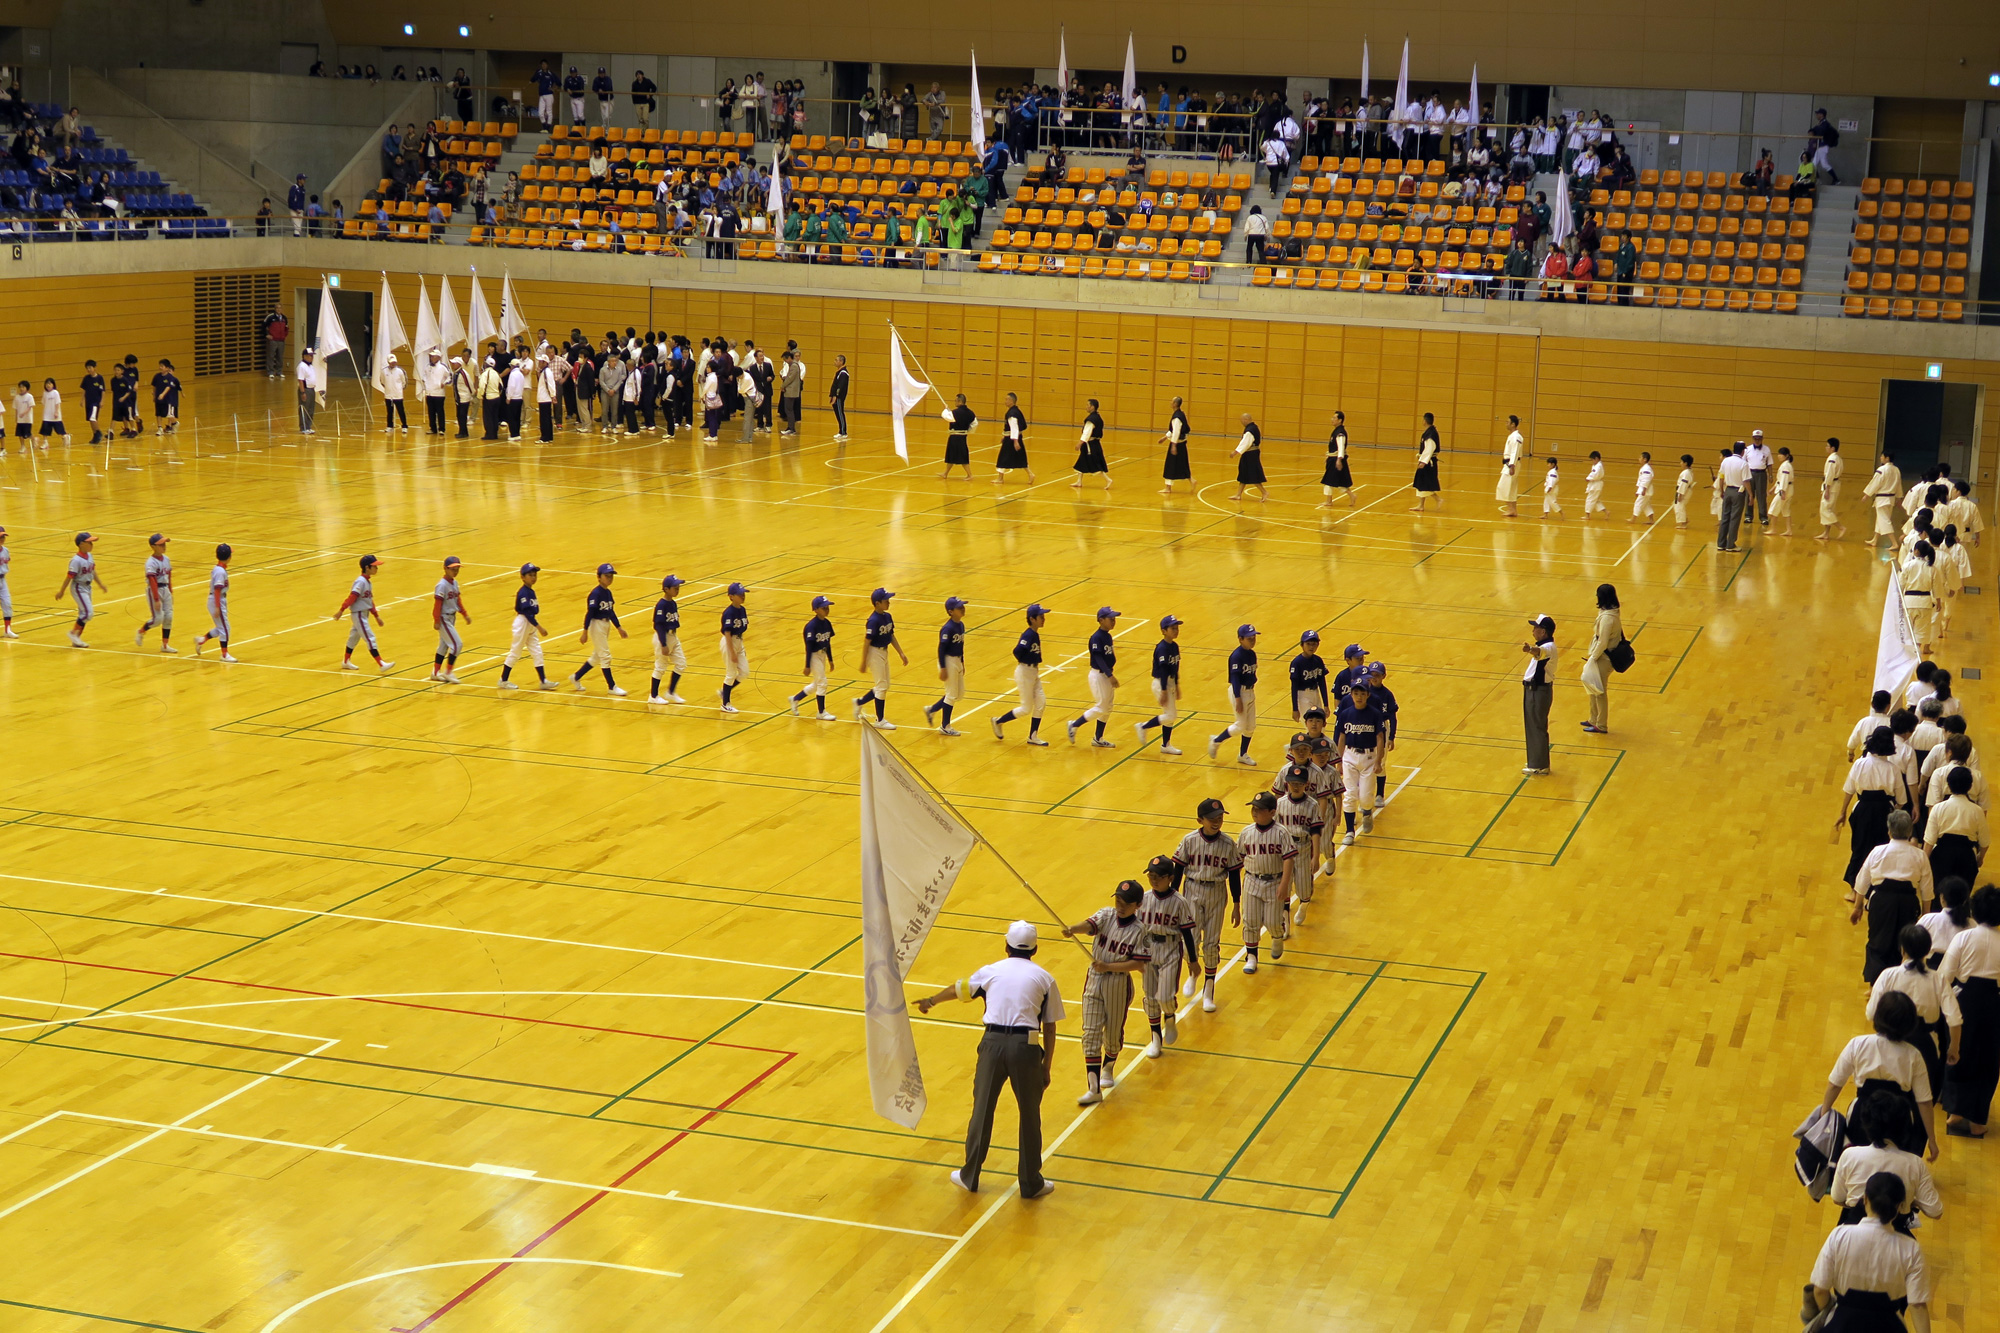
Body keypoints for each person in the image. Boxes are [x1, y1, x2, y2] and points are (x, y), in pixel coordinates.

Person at [912, 920, 1061, 1199]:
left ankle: (970, 1176)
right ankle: (1030, 1182)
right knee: (1030, 1115)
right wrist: (1046, 1065)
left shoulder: (991, 972)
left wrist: (930, 1001)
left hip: (992, 1044)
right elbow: (1050, 1026)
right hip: (1026, 1046)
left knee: (982, 1110)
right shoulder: (1045, 978)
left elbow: (959, 990)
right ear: (1035, 949)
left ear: (1006, 946)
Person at [1062, 880, 1152, 1105]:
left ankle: (1109, 1064)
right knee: (1090, 1033)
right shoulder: (1106, 915)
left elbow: (1138, 965)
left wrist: (1109, 966)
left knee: (1111, 1036)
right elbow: (1090, 925)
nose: (1120, 906)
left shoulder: (1140, 930)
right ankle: (1093, 1089)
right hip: (1094, 980)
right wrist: (1073, 928)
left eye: (1126, 903)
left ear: (1138, 905)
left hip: (1118, 983)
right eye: (1118, 901)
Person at [1819, 989, 1938, 1159]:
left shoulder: (1857, 1044)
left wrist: (1824, 1117)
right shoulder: (1914, 1056)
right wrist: (1932, 1140)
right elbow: (1924, 1101)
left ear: (1878, 1016)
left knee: (1856, 1161)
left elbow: (1835, 1084)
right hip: (1899, 1119)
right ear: (1910, 1023)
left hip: (1862, 1115)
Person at [1804, 1172, 1932, 1329]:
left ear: (1864, 1200)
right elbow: (1918, 1305)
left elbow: (1820, 1291)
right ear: (1900, 1207)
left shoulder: (1840, 1236)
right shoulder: (1911, 1249)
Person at [1939, 883, 2000, 1139]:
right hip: (1994, 1004)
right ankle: (1977, 1121)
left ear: (1974, 909)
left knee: (1958, 1052)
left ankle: (1955, 1114)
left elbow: (1944, 975)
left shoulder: (1964, 937)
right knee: (1988, 1059)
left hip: (1964, 1001)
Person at [1851, 809, 1933, 983]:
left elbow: (1862, 881)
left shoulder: (1877, 852)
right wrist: (1926, 916)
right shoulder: (1920, 856)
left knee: (1877, 941)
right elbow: (1927, 889)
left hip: (1881, 902)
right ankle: (1897, 983)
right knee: (1903, 943)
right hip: (1908, 902)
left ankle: (1875, 985)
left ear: (1889, 831)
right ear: (1910, 832)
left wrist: (1857, 907)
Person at [1235, 792, 1296, 974]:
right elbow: (1239, 858)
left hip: (1274, 881)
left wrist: (1284, 884)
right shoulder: (1246, 833)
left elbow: (1289, 859)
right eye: (1253, 808)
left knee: (1272, 922)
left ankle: (1277, 935)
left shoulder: (1282, 832)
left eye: (1260, 810)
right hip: (1252, 880)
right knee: (1250, 921)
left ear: (1272, 812)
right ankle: (1251, 956)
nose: (1255, 812)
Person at [991, 604, 1050, 744]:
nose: (1044, 619)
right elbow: (1017, 651)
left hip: (1033, 671)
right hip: (1025, 672)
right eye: (1041, 616)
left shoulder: (1034, 634)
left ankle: (1033, 736)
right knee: (1026, 708)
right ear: (1032, 619)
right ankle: (998, 721)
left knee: (1041, 702)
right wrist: (1025, 662)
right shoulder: (1029, 635)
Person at [1066, 606, 1123, 748]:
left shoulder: (1108, 636)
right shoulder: (1096, 638)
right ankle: (1074, 724)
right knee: (1102, 706)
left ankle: (1098, 738)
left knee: (1108, 707)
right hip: (1099, 675)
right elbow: (1098, 658)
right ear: (1101, 620)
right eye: (1110, 619)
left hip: (1106, 674)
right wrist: (1110, 675)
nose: (1113, 621)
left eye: (1114, 619)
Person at [570, 562, 629, 697]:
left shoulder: (608, 593)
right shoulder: (595, 594)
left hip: (605, 624)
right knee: (605, 656)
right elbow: (589, 613)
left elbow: (611, 611)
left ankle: (576, 677)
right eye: (606, 576)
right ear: (599, 577)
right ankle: (612, 686)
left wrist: (619, 627)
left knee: (597, 656)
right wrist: (584, 631)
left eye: (611, 576)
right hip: (596, 625)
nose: (609, 578)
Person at [851, 587, 907, 728]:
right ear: (877, 603)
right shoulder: (873, 621)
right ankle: (879, 720)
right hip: (874, 653)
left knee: (884, 685)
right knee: (881, 685)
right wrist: (864, 661)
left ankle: (859, 702)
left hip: (884, 651)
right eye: (886, 600)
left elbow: (891, 635)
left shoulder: (887, 616)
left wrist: (901, 652)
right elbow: (867, 641)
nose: (888, 602)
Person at [1208, 625, 1261, 766]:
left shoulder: (1252, 654)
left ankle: (1243, 754)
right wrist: (1238, 698)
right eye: (1249, 638)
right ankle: (1216, 741)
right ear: (1240, 639)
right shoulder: (1236, 656)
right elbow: (1235, 678)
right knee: (1240, 726)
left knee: (1250, 727)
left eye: (1254, 638)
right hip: (1239, 692)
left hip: (1250, 691)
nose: (1253, 640)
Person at [496, 563, 553, 691]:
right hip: (524, 622)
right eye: (530, 575)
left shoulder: (530, 591)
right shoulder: (523, 593)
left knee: (537, 651)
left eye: (534, 575)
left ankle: (543, 680)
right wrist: (539, 627)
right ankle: (503, 680)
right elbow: (527, 613)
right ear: (522, 577)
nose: (533, 577)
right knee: (516, 652)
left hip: (530, 623)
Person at [332, 554, 393, 671]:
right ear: (367, 567)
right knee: (370, 637)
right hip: (359, 614)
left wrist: (376, 616)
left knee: (353, 638)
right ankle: (381, 663)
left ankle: (345, 661)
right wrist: (341, 610)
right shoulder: (360, 582)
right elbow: (352, 597)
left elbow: (369, 601)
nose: (377, 569)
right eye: (374, 566)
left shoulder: (368, 582)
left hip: (364, 613)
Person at [1135, 614, 1183, 754]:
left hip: (1170, 683)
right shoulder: (1162, 648)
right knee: (1171, 715)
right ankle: (1143, 726)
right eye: (1172, 628)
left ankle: (1165, 744)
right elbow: (1163, 670)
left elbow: (1175, 667)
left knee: (1169, 715)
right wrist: (1163, 690)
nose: (1176, 630)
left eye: (1177, 628)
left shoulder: (1174, 646)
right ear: (1163, 631)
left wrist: (1177, 685)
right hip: (1161, 683)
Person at [922, 596, 969, 735]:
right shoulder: (947, 629)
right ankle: (945, 726)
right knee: (951, 694)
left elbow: (961, 645)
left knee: (958, 694)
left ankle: (931, 709)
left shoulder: (961, 625)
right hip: (948, 661)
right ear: (950, 611)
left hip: (957, 660)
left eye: (963, 606)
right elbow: (941, 649)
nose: (963, 609)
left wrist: (962, 662)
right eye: (959, 607)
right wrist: (943, 668)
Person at [1579, 584, 1622, 735]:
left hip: (1604, 658)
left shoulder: (1607, 619)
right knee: (1592, 686)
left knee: (1600, 691)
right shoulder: (1610, 612)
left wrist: (1593, 658)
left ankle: (1601, 725)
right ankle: (1593, 718)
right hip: (1600, 656)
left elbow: (1603, 642)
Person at [52, 531, 104, 649]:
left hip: (88, 586)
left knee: (83, 614)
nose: (92, 544)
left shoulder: (90, 556)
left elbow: (93, 571)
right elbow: (69, 577)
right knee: (88, 613)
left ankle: (76, 639)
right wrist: (61, 591)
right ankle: (73, 633)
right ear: (81, 544)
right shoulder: (76, 560)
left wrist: (100, 584)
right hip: (78, 587)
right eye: (89, 542)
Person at [789, 595, 836, 719]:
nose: (827, 609)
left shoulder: (827, 623)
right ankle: (821, 712)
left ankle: (795, 699)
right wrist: (807, 665)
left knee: (817, 684)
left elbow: (828, 642)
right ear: (815, 609)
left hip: (823, 655)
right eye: (823, 607)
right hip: (814, 655)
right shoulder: (811, 626)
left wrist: (830, 659)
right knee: (822, 683)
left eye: (827, 607)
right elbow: (809, 647)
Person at [1520, 613, 1556, 776]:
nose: (1533, 631)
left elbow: (1538, 652)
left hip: (1538, 691)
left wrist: (1530, 649)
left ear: (1543, 631)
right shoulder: (1547, 645)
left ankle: (1540, 765)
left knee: (1537, 726)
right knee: (1533, 725)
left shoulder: (1548, 647)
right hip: (1534, 691)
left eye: (1536, 628)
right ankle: (1535, 760)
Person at [188, 543, 234, 662]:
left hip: (216, 599)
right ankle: (224, 655)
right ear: (229, 557)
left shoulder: (219, 569)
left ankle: (202, 640)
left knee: (221, 628)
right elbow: (218, 589)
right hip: (216, 600)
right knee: (225, 629)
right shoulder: (220, 572)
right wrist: (218, 607)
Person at [428, 556, 471, 683]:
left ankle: (435, 673)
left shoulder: (455, 583)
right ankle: (448, 672)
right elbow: (437, 605)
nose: (456, 571)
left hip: (452, 617)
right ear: (445, 568)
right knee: (457, 644)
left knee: (443, 646)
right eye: (453, 569)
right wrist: (436, 620)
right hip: (444, 618)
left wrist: (464, 614)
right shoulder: (441, 585)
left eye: (457, 568)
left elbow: (458, 600)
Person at [133, 532, 174, 654]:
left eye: (164, 543)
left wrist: (171, 591)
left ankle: (165, 645)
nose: (164, 546)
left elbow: (169, 576)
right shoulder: (150, 563)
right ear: (153, 546)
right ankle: (141, 631)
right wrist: (156, 599)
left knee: (169, 617)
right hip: (154, 590)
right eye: (161, 544)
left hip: (165, 589)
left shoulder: (166, 559)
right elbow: (152, 580)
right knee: (158, 619)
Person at [717, 581, 751, 713]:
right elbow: (727, 632)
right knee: (731, 673)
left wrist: (738, 648)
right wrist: (732, 652)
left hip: (738, 642)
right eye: (739, 594)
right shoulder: (728, 613)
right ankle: (725, 703)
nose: (743, 596)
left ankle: (725, 691)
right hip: (728, 642)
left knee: (744, 672)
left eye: (743, 594)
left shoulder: (742, 610)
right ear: (731, 596)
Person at [1863, 448, 1902, 556]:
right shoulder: (1896, 470)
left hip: (1882, 499)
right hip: (1891, 499)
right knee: (1881, 520)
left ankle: (1894, 543)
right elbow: (1899, 485)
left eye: (1882, 456)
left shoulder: (1882, 470)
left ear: (1887, 458)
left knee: (1884, 521)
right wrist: (1899, 498)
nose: (1881, 458)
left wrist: (1867, 494)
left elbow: (1875, 483)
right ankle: (1875, 540)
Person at [994, 392, 1033, 484]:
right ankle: (1030, 474)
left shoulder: (1012, 413)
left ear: (1012, 401)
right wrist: (1005, 436)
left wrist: (1015, 441)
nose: (1005, 401)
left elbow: (1014, 427)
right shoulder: (1016, 411)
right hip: (1013, 437)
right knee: (1020, 457)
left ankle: (1000, 478)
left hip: (1012, 439)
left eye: (1007, 399)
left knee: (1003, 457)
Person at [1072, 399, 1110, 489]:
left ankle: (1108, 480)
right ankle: (1079, 481)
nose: (1086, 407)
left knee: (1095, 464)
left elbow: (1086, 433)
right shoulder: (1097, 417)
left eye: (1087, 405)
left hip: (1091, 445)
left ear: (1092, 407)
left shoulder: (1091, 420)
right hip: (1094, 443)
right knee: (1082, 461)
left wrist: (1079, 443)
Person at [1817, 438, 1849, 542]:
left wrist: (1827, 489)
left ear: (1832, 448)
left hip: (1831, 486)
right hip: (1834, 484)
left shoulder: (1832, 459)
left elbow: (1830, 475)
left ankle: (1841, 527)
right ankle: (1826, 533)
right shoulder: (1837, 458)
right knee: (1829, 508)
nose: (1826, 448)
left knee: (1825, 509)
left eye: (1827, 446)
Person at [1409, 412, 1442, 512]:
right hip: (1427, 461)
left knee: (1424, 483)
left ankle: (1438, 499)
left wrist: (1423, 462)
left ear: (1425, 421)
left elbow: (1429, 448)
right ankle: (1421, 505)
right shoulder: (1430, 432)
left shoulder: (1430, 434)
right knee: (1422, 483)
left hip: (1428, 463)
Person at [1319, 411, 1353, 508]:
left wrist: (1339, 459)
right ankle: (1352, 495)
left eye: (1334, 418)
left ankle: (1329, 501)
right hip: (1333, 458)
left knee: (1328, 480)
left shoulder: (1340, 433)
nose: (1332, 419)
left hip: (1336, 460)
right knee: (1339, 481)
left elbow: (1341, 447)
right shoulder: (1337, 431)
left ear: (1340, 420)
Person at [938, 393, 975, 480]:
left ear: (960, 401)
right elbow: (975, 423)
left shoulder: (955, 412)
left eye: (955, 400)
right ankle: (945, 473)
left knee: (962, 455)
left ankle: (970, 475)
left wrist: (946, 410)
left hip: (956, 437)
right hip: (962, 436)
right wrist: (968, 431)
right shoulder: (970, 413)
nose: (955, 402)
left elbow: (947, 417)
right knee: (952, 455)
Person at [1231, 414, 1266, 501]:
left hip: (1251, 455)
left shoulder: (1250, 430)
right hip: (1248, 454)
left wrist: (1235, 452)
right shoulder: (1254, 427)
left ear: (1246, 419)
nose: (1241, 422)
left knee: (1253, 474)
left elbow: (1245, 443)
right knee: (1243, 473)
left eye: (1242, 420)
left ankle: (1264, 492)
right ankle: (1238, 495)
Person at [1159, 397, 1190, 495]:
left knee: (1170, 465)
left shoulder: (1177, 417)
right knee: (1183, 464)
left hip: (1176, 443)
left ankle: (1168, 488)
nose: (1170, 403)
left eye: (1172, 401)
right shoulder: (1181, 414)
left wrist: (1173, 445)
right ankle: (1192, 480)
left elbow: (1176, 432)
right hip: (1181, 444)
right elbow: (1173, 430)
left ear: (1175, 404)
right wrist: (1165, 437)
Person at [1495, 415, 1524, 517]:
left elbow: (1515, 452)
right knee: (1511, 487)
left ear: (1513, 424)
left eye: (1508, 422)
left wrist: (1512, 465)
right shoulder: (1513, 436)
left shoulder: (1516, 437)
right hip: (1510, 463)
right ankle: (1513, 510)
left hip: (1512, 464)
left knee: (1502, 486)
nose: (1506, 424)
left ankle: (1511, 509)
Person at [827, 354, 849, 441]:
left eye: (836, 360)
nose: (835, 362)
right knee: (838, 413)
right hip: (836, 397)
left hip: (839, 397)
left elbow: (840, 386)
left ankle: (843, 432)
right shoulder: (839, 372)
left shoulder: (843, 373)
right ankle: (841, 431)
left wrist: (836, 396)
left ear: (841, 362)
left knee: (840, 413)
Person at [1541, 456, 1563, 520]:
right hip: (1550, 487)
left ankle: (1561, 512)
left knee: (1552, 502)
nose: (1548, 465)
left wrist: (1550, 488)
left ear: (1553, 464)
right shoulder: (1552, 471)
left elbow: (1552, 481)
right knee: (1546, 501)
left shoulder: (1553, 472)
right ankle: (1545, 514)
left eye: (1549, 464)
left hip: (1552, 488)